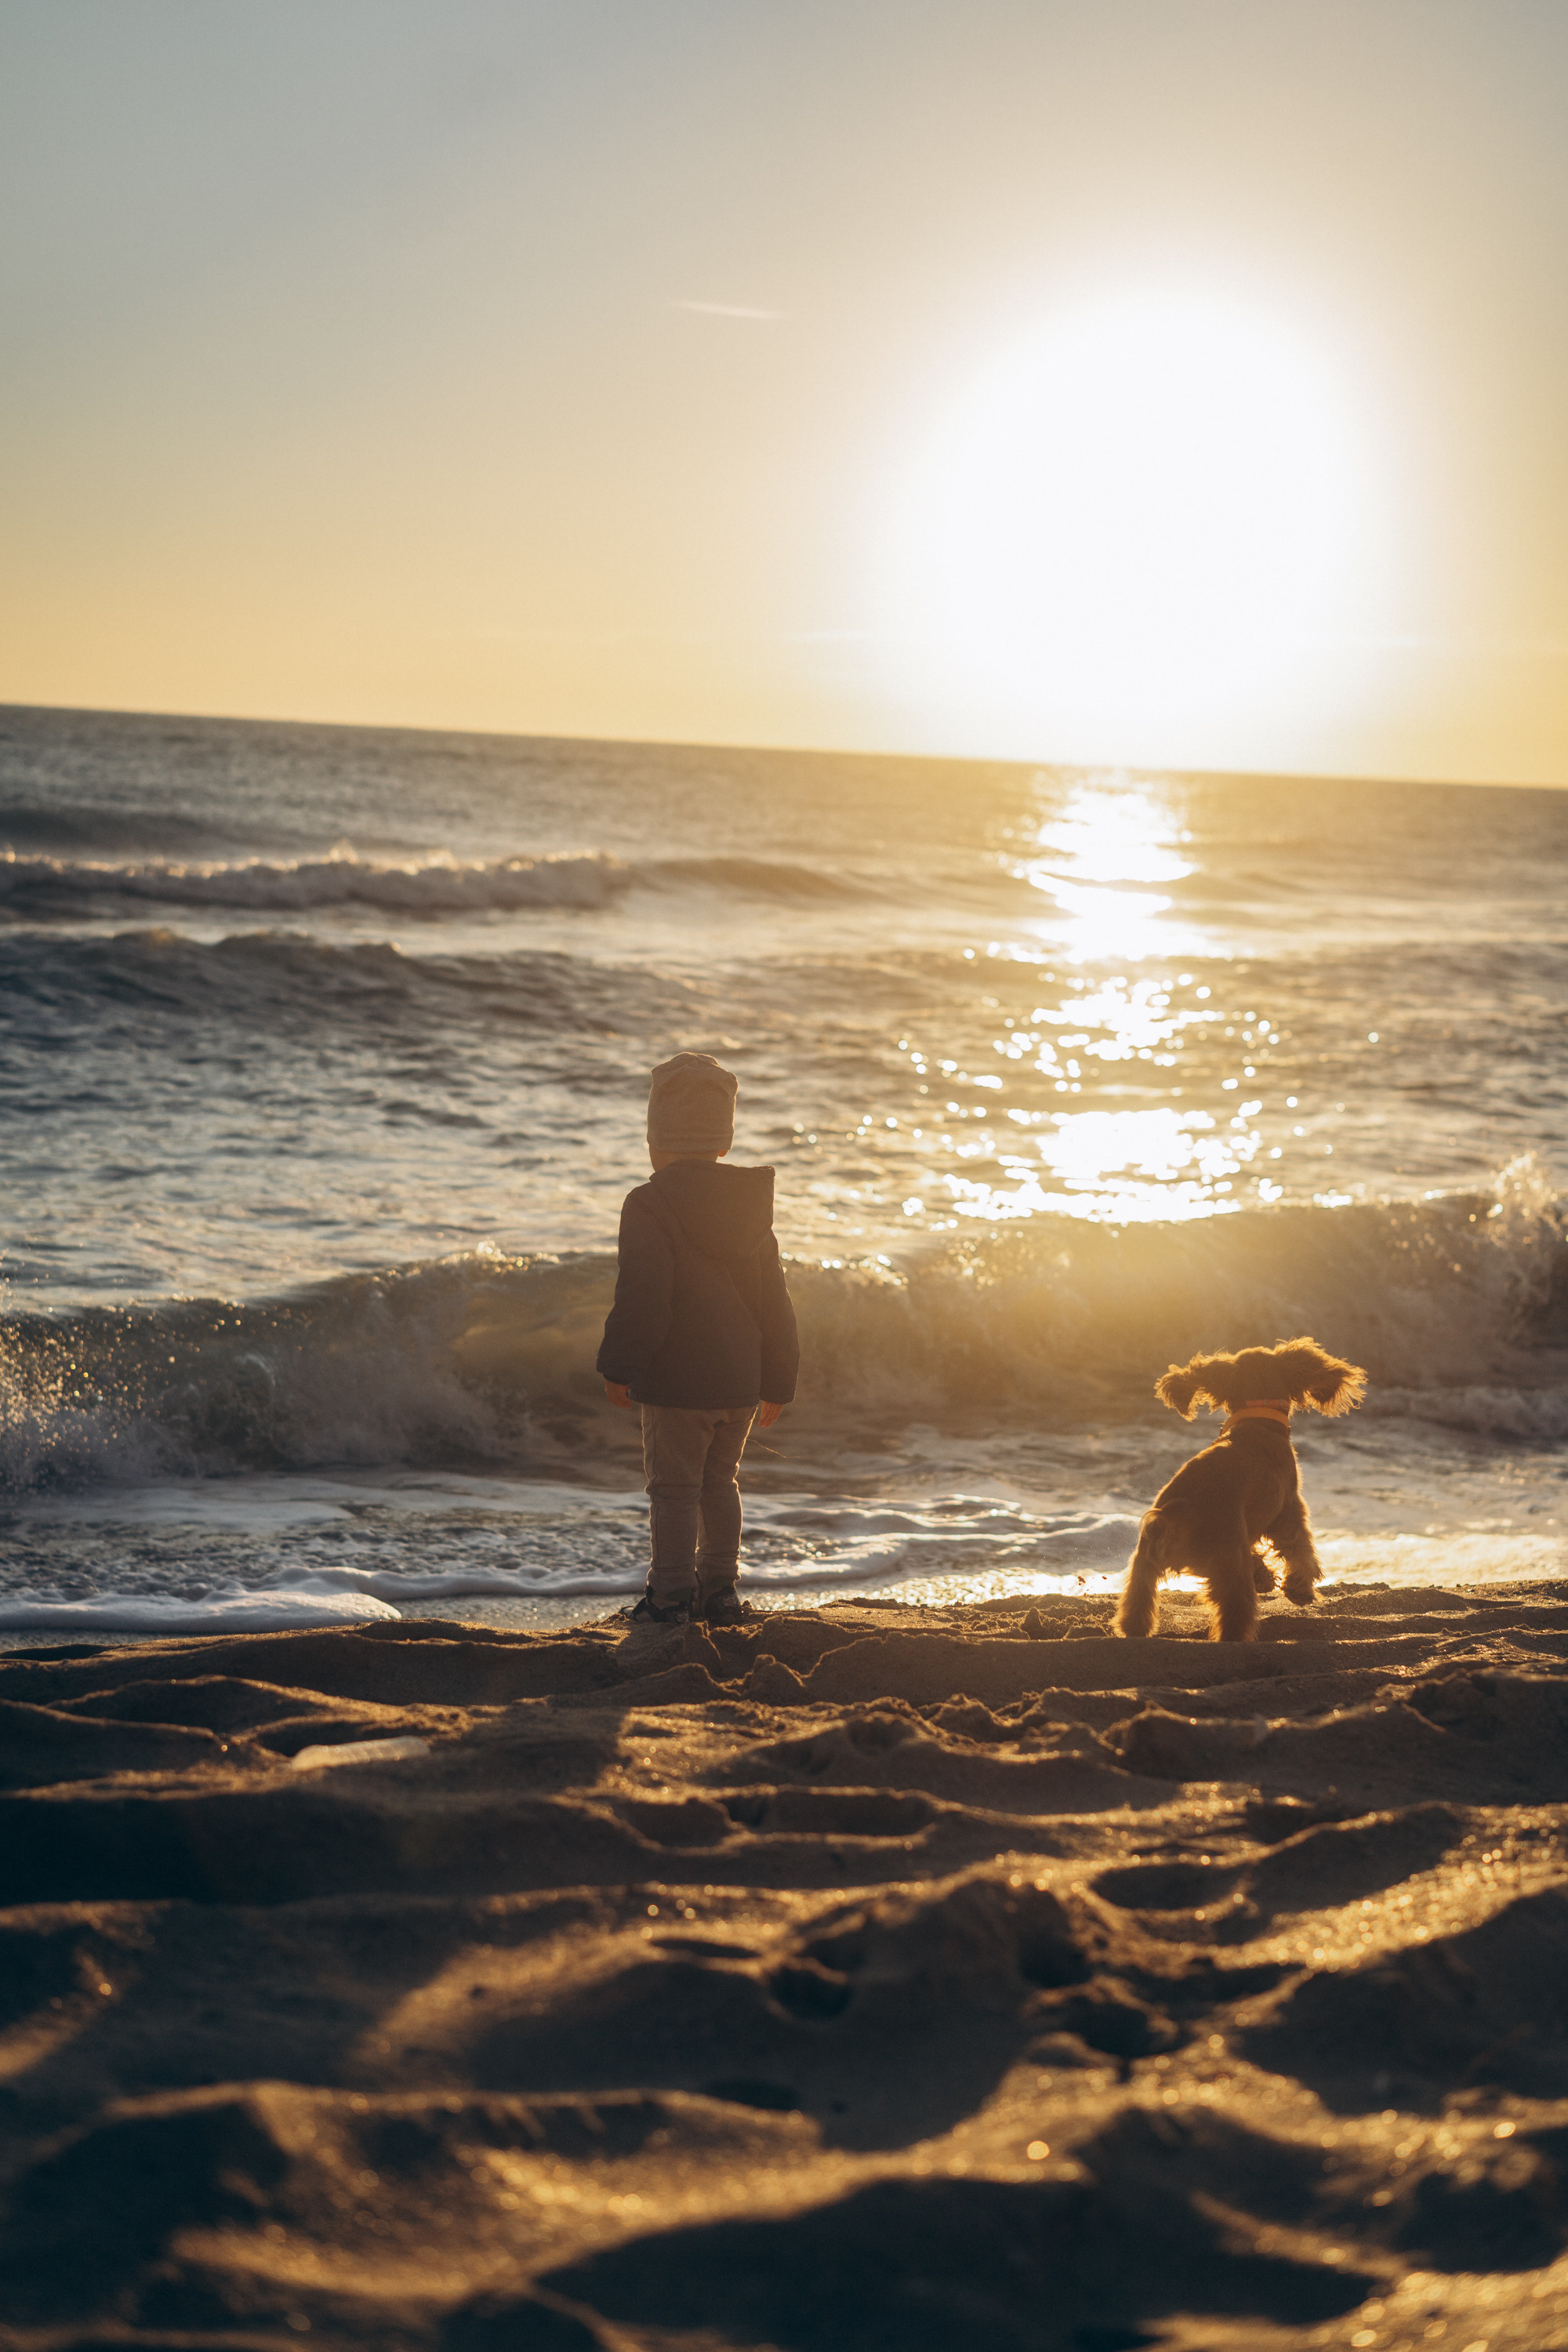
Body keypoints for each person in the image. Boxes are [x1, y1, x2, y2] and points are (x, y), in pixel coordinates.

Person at [597, 1051, 798, 1639]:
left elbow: (645, 1296)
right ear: (724, 1139)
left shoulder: (649, 1203)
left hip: (678, 1382)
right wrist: (777, 1380)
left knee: (674, 1489)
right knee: (719, 1484)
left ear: (656, 1138)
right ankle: (720, 1591)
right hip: (740, 1383)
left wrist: (618, 1364)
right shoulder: (750, 1208)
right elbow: (775, 1303)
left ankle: (669, 1598)